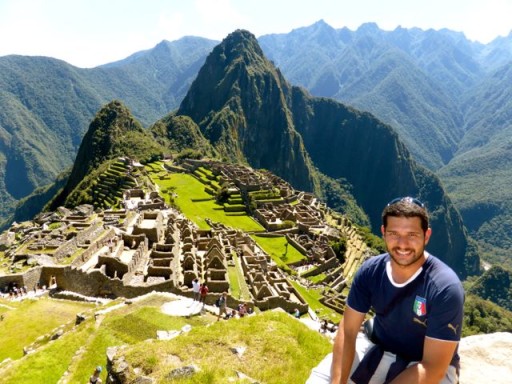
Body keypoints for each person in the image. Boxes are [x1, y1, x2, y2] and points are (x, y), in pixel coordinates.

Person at [306, 196, 464, 384]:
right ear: (383, 232)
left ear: (426, 235)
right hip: (378, 348)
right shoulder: (371, 271)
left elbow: (433, 367)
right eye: (394, 233)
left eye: (412, 235)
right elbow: (348, 331)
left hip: (425, 364)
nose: (402, 244)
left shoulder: (444, 287)